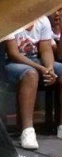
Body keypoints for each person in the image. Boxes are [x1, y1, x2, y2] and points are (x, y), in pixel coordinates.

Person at [4, 15, 62, 149]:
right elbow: (13, 53)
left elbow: (46, 49)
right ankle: (27, 130)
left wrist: (49, 68)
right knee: (31, 74)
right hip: (12, 63)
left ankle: (61, 126)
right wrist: (40, 68)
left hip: (37, 61)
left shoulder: (42, 20)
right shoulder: (9, 18)